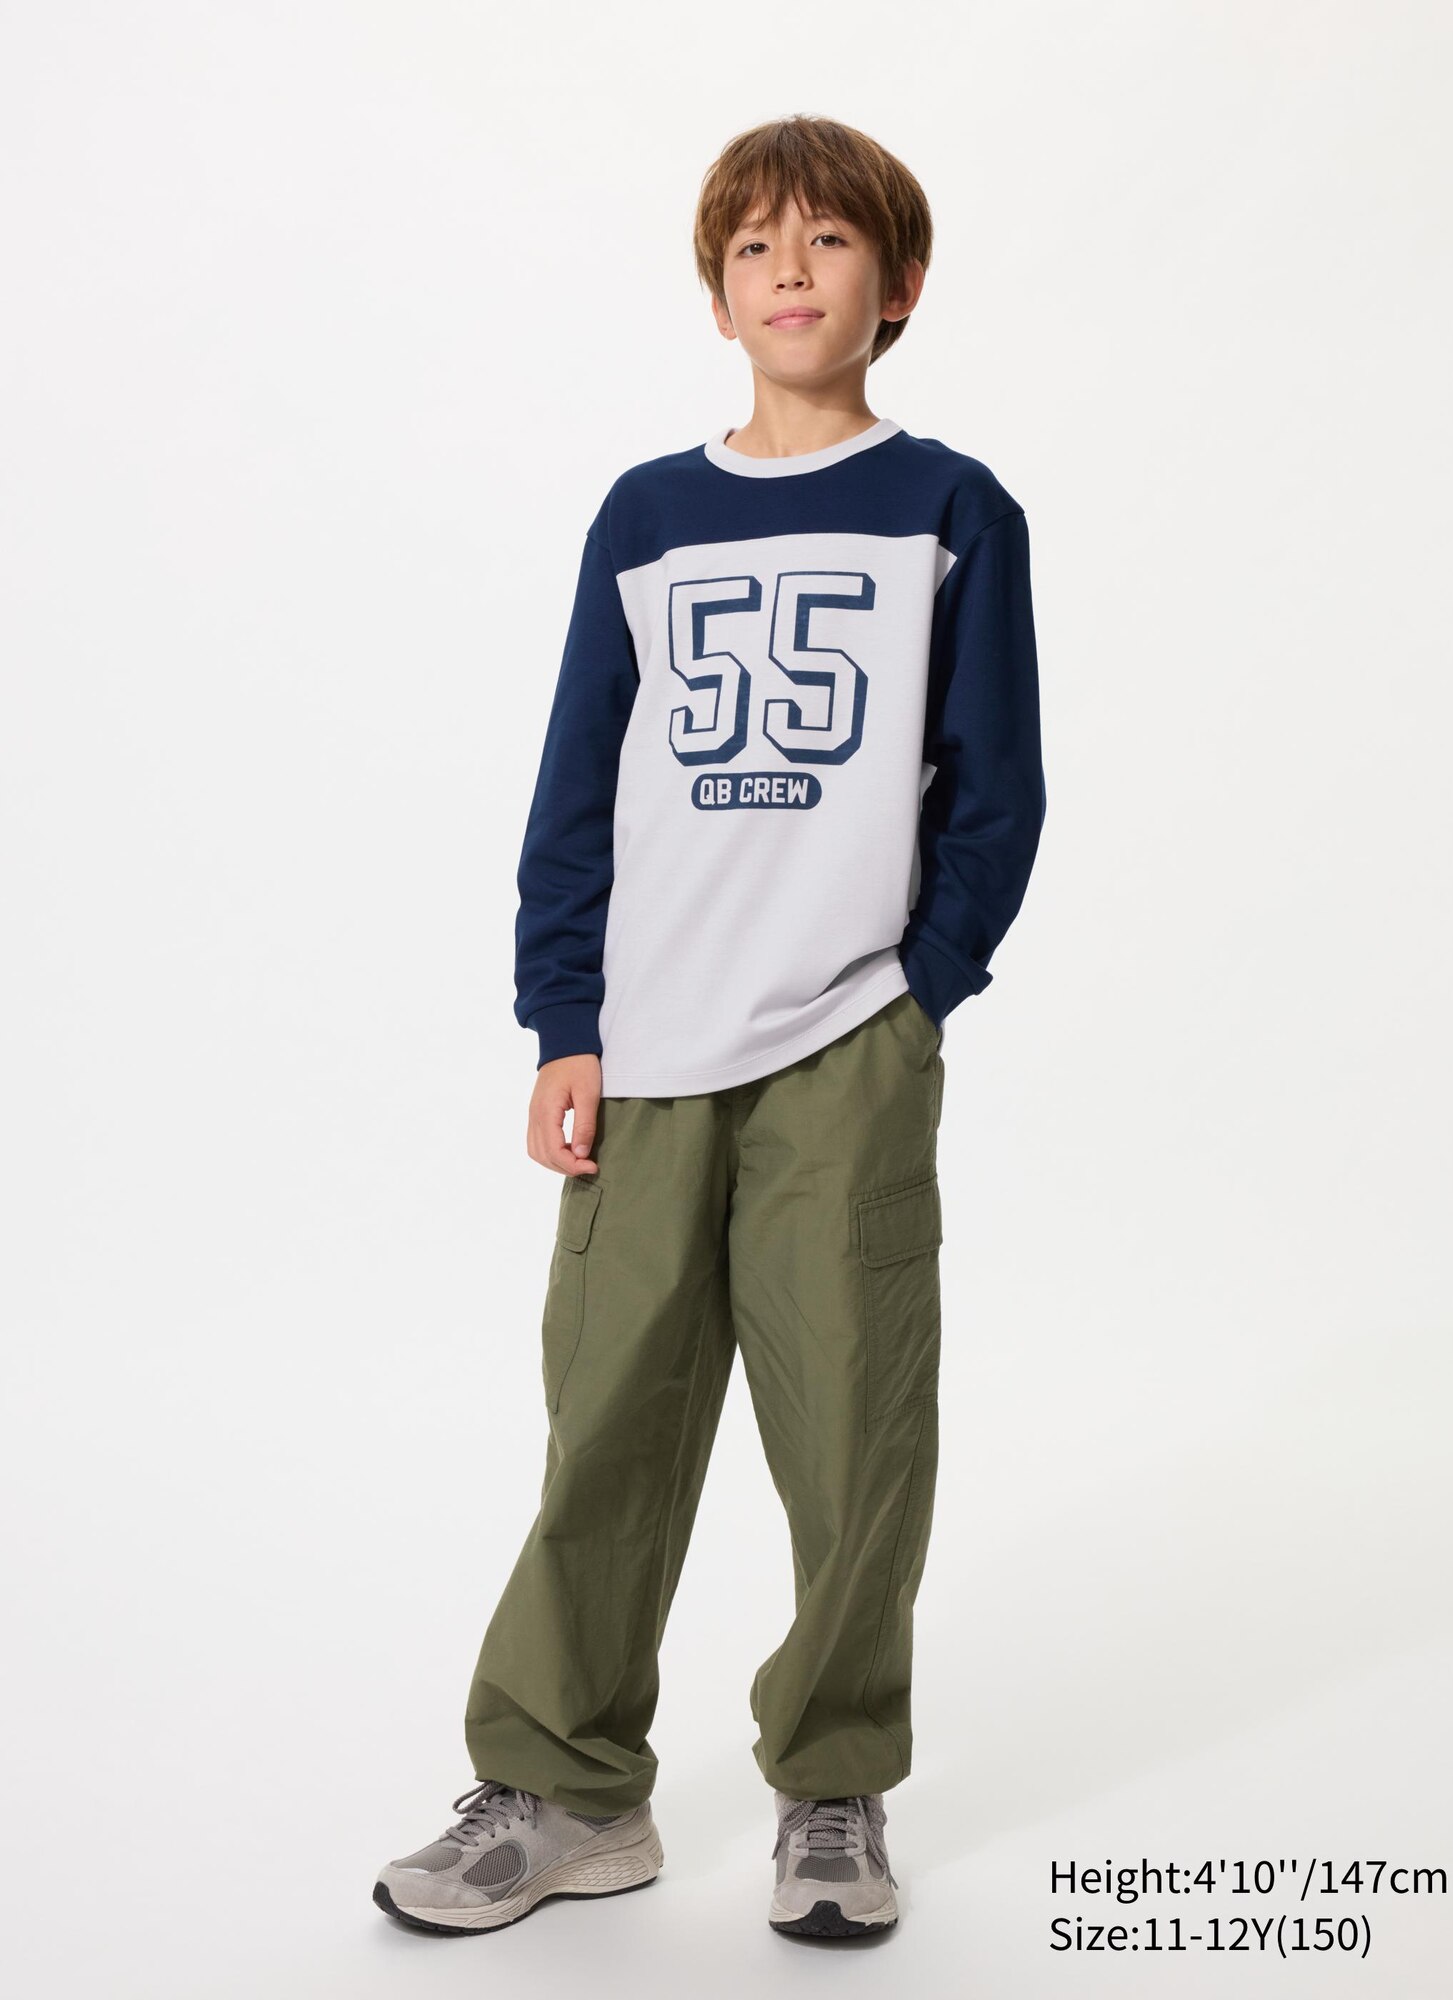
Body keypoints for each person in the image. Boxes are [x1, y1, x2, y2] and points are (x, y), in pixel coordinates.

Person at [373, 111, 1046, 1941]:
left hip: (845, 1046)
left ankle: (833, 1790)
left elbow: (996, 787)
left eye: (827, 242)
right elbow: (577, 782)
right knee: (605, 1425)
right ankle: (566, 1791)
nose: (788, 272)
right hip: (650, 1048)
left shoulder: (950, 509)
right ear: (718, 292)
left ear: (898, 285)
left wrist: (917, 989)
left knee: (853, 1435)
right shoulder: (647, 518)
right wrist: (563, 1021)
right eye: (754, 246)